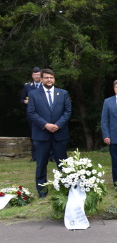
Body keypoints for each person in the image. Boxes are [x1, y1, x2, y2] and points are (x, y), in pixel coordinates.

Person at [26, 68, 71, 198]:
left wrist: (57, 125)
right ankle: (42, 192)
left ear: (54, 79)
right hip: (41, 135)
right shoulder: (34, 94)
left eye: (51, 77)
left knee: (63, 165)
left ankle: (66, 189)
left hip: (59, 134)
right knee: (41, 164)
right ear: (41, 79)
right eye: (46, 78)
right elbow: (31, 113)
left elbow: (67, 112)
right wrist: (45, 125)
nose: (49, 80)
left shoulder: (62, 93)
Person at [20, 67, 43, 161]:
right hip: (32, 114)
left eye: (38, 74)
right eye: (35, 75)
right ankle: (35, 156)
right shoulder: (27, 86)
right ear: (32, 76)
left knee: (47, 134)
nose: (37, 76)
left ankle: (50, 155)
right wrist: (25, 102)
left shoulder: (46, 85)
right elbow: (21, 99)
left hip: (43, 113)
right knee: (33, 135)